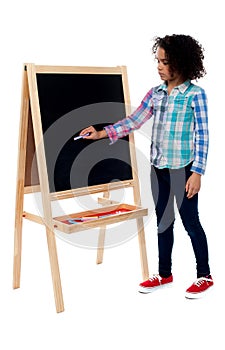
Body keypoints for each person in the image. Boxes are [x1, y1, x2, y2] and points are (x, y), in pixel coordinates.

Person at [80, 34, 213, 299]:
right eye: (158, 61)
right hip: (159, 168)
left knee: (190, 222)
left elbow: (203, 135)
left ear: (181, 63)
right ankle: (165, 274)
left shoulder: (195, 96)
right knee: (164, 223)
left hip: (183, 170)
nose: (159, 66)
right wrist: (102, 132)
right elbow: (134, 120)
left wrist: (197, 172)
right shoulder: (156, 94)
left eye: (165, 61)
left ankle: (204, 275)